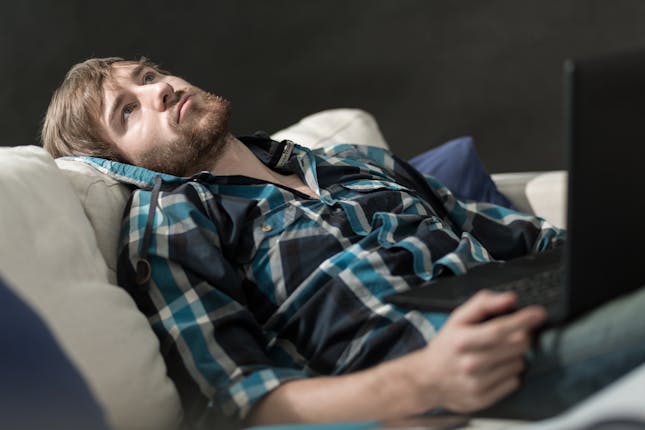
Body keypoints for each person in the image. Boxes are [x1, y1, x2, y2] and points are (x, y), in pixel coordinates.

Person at [41, 57, 645, 428]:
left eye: (148, 77)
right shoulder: (173, 223)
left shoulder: (351, 160)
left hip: (536, 305)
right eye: (129, 111)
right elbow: (243, 399)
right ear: (122, 167)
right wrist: (426, 381)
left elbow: (520, 236)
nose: (159, 90)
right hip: (469, 370)